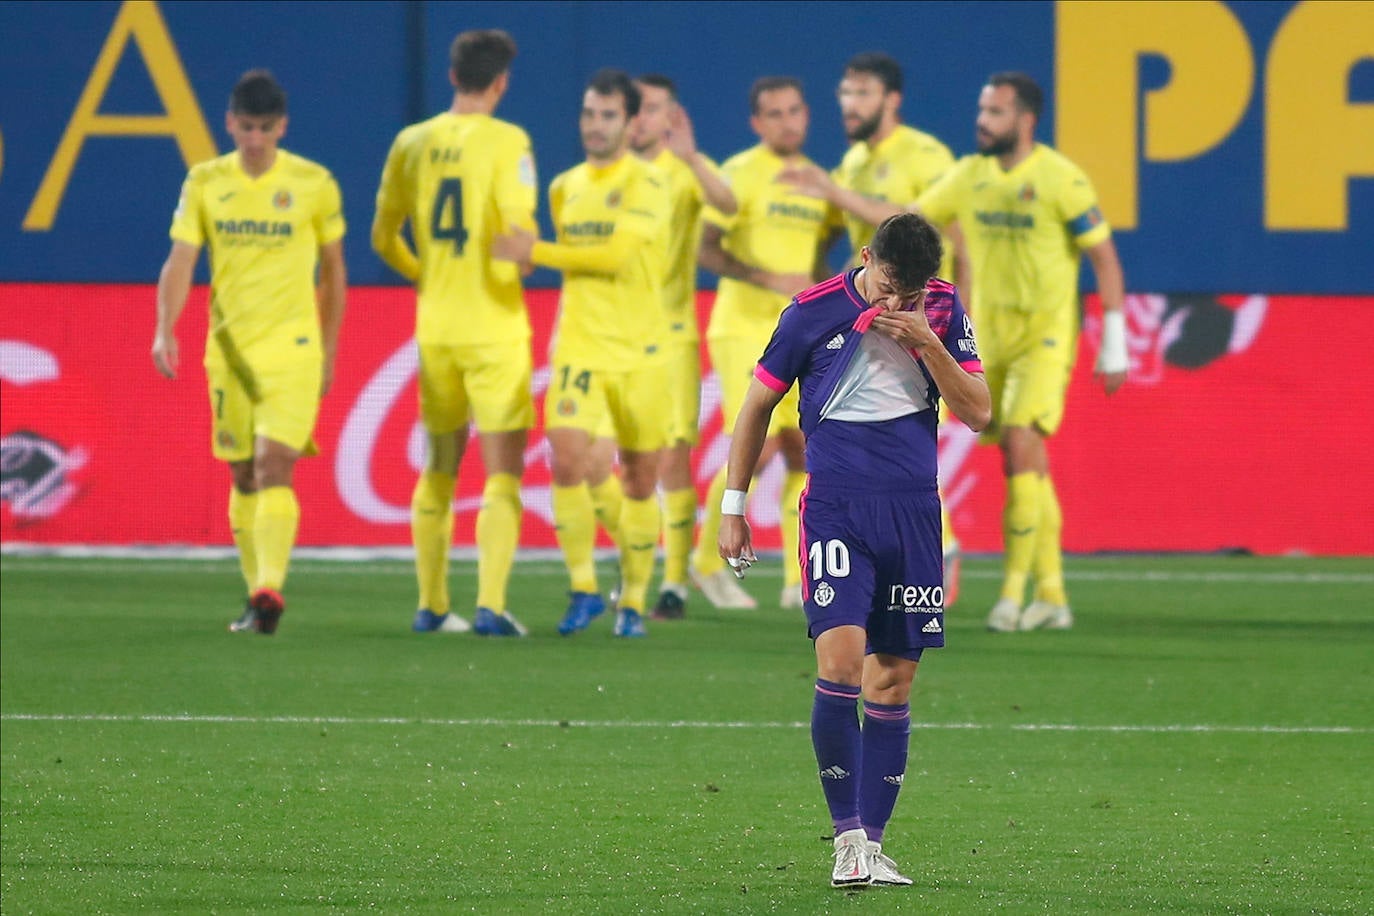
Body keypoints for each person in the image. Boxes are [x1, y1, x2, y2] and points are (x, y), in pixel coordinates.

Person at [783, 72, 1127, 632]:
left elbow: (1105, 258)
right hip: (987, 333)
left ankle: (1015, 595)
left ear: (1025, 119)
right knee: (1022, 459)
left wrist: (1113, 341)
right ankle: (1052, 593)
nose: (982, 121)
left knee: (1021, 443)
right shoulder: (969, 177)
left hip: (1044, 335)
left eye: (994, 112)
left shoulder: (1061, 180)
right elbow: (906, 224)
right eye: (982, 109)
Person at [719, 213, 989, 887]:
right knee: (840, 665)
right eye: (891, 286)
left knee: (892, 681)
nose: (897, 303)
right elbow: (757, 406)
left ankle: (873, 843)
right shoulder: (809, 313)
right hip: (838, 512)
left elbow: (979, 411)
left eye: (912, 291)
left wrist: (929, 342)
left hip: (913, 515)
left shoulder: (943, 308)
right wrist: (735, 506)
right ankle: (844, 839)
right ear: (865, 257)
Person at [153, 69, 347, 635]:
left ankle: (270, 588)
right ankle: (254, 594)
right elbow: (181, 260)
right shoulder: (205, 182)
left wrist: (329, 349)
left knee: (274, 465)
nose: (256, 139)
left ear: (282, 126)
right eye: (246, 127)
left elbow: (334, 272)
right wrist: (166, 328)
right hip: (230, 352)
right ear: (229, 123)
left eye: (265, 128)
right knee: (241, 475)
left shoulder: (313, 183)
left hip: (293, 348)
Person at [492, 69, 671, 639]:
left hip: (643, 354)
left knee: (640, 482)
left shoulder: (650, 183)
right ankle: (584, 587)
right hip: (580, 348)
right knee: (565, 460)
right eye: (589, 114)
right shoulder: (564, 185)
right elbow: (567, 261)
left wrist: (534, 251)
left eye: (608, 115)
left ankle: (634, 602)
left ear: (632, 122)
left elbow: (616, 256)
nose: (595, 126)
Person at [372, 29, 536, 638]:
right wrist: (516, 258)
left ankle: (432, 605)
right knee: (501, 473)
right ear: (500, 82)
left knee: (439, 466)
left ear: (451, 77)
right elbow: (515, 242)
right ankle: (491, 603)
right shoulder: (509, 141)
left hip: (436, 328)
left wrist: (430, 278)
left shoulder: (411, 141)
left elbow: (382, 237)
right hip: (493, 329)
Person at [582, 74, 738, 622]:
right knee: (600, 461)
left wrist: (693, 158)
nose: (645, 119)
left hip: (669, 339)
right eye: (639, 109)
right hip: (605, 337)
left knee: (672, 461)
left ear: (672, 117)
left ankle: (670, 585)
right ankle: (635, 566)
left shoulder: (683, 172)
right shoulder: (607, 175)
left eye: (655, 109)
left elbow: (731, 204)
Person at [816, 51, 969, 606]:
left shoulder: (926, 155)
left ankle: (936, 550)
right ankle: (848, 567)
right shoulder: (853, 160)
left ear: (891, 99)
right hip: (863, 325)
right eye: (844, 93)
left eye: (860, 93)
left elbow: (921, 225)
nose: (849, 104)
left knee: (908, 433)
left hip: (917, 316)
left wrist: (957, 318)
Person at [691, 75, 832, 613]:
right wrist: (760, 275)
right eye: (774, 113)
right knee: (760, 442)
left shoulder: (819, 182)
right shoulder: (738, 174)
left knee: (805, 447)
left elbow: (816, 262)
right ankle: (706, 564)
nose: (786, 121)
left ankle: (799, 578)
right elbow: (707, 249)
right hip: (743, 327)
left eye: (794, 110)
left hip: (797, 330)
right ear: (756, 123)